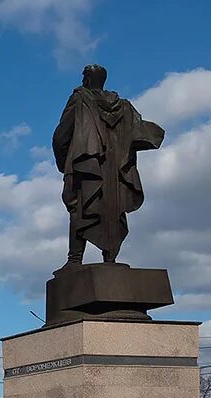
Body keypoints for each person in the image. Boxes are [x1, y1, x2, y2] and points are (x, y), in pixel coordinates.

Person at [53, 64, 164, 265]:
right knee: (112, 208)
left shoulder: (79, 99)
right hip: (114, 168)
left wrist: (65, 162)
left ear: (86, 79)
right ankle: (110, 259)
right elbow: (141, 131)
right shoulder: (124, 107)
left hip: (86, 163)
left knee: (79, 206)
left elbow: (61, 135)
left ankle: (75, 259)